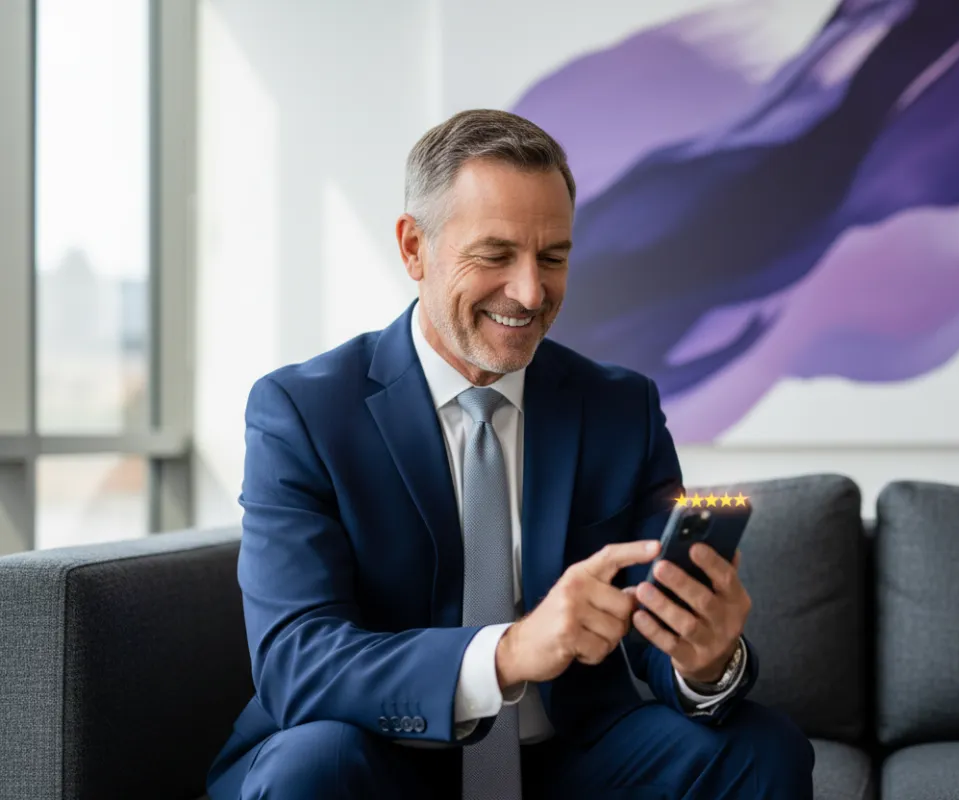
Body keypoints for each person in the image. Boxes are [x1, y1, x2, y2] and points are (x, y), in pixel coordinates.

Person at [206, 109, 815, 800]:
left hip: (569, 763)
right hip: (377, 757)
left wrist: (705, 663)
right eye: (495, 255)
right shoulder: (303, 411)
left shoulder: (621, 408)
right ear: (414, 248)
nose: (530, 293)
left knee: (762, 751)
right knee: (311, 766)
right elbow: (296, 659)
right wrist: (509, 652)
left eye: (552, 258)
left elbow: (654, 620)